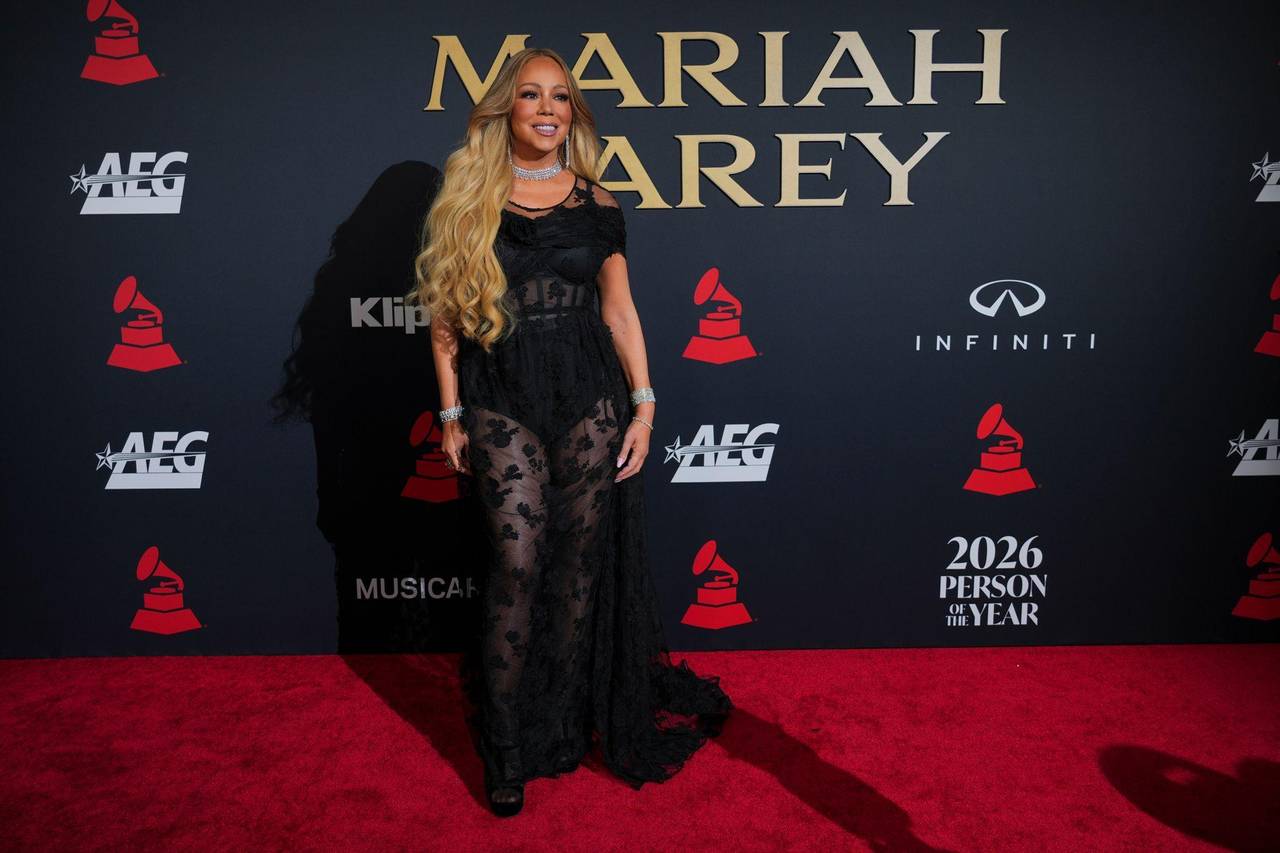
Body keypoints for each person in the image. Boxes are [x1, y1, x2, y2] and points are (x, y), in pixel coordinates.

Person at [408, 47, 733, 817]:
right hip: (503, 395)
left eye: (560, 97)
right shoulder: (469, 197)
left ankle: (556, 720)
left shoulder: (599, 200)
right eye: (531, 95)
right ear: (506, 110)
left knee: (577, 571)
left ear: (573, 114)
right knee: (518, 564)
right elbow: (446, 318)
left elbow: (619, 310)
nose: (547, 109)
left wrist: (645, 406)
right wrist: (450, 412)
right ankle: (504, 740)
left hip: (590, 394)